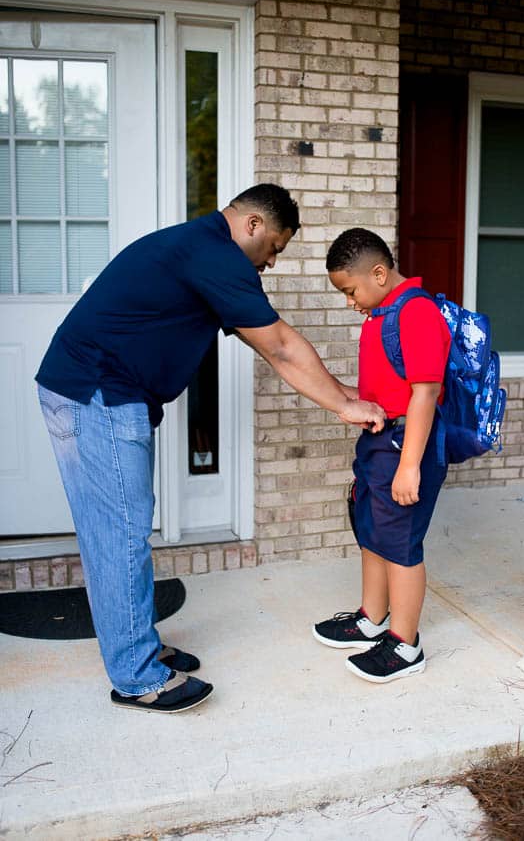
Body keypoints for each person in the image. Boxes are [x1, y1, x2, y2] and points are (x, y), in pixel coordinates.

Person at [36, 185, 385, 713]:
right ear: (251, 225)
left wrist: (340, 396)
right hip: (97, 395)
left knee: (121, 532)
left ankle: (139, 647)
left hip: (99, 393)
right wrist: (345, 405)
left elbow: (268, 344)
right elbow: (282, 347)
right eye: (275, 247)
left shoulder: (198, 251)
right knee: (120, 536)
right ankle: (136, 677)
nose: (270, 262)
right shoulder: (215, 254)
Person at [313, 228, 451, 683]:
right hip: (378, 443)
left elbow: (425, 392)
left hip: (405, 446)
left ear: (378, 272)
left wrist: (410, 465)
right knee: (371, 529)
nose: (350, 301)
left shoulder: (416, 312)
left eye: (351, 290)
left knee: (401, 543)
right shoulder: (381, 314)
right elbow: (381, 391)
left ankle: (406, 643)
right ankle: (372, 619)